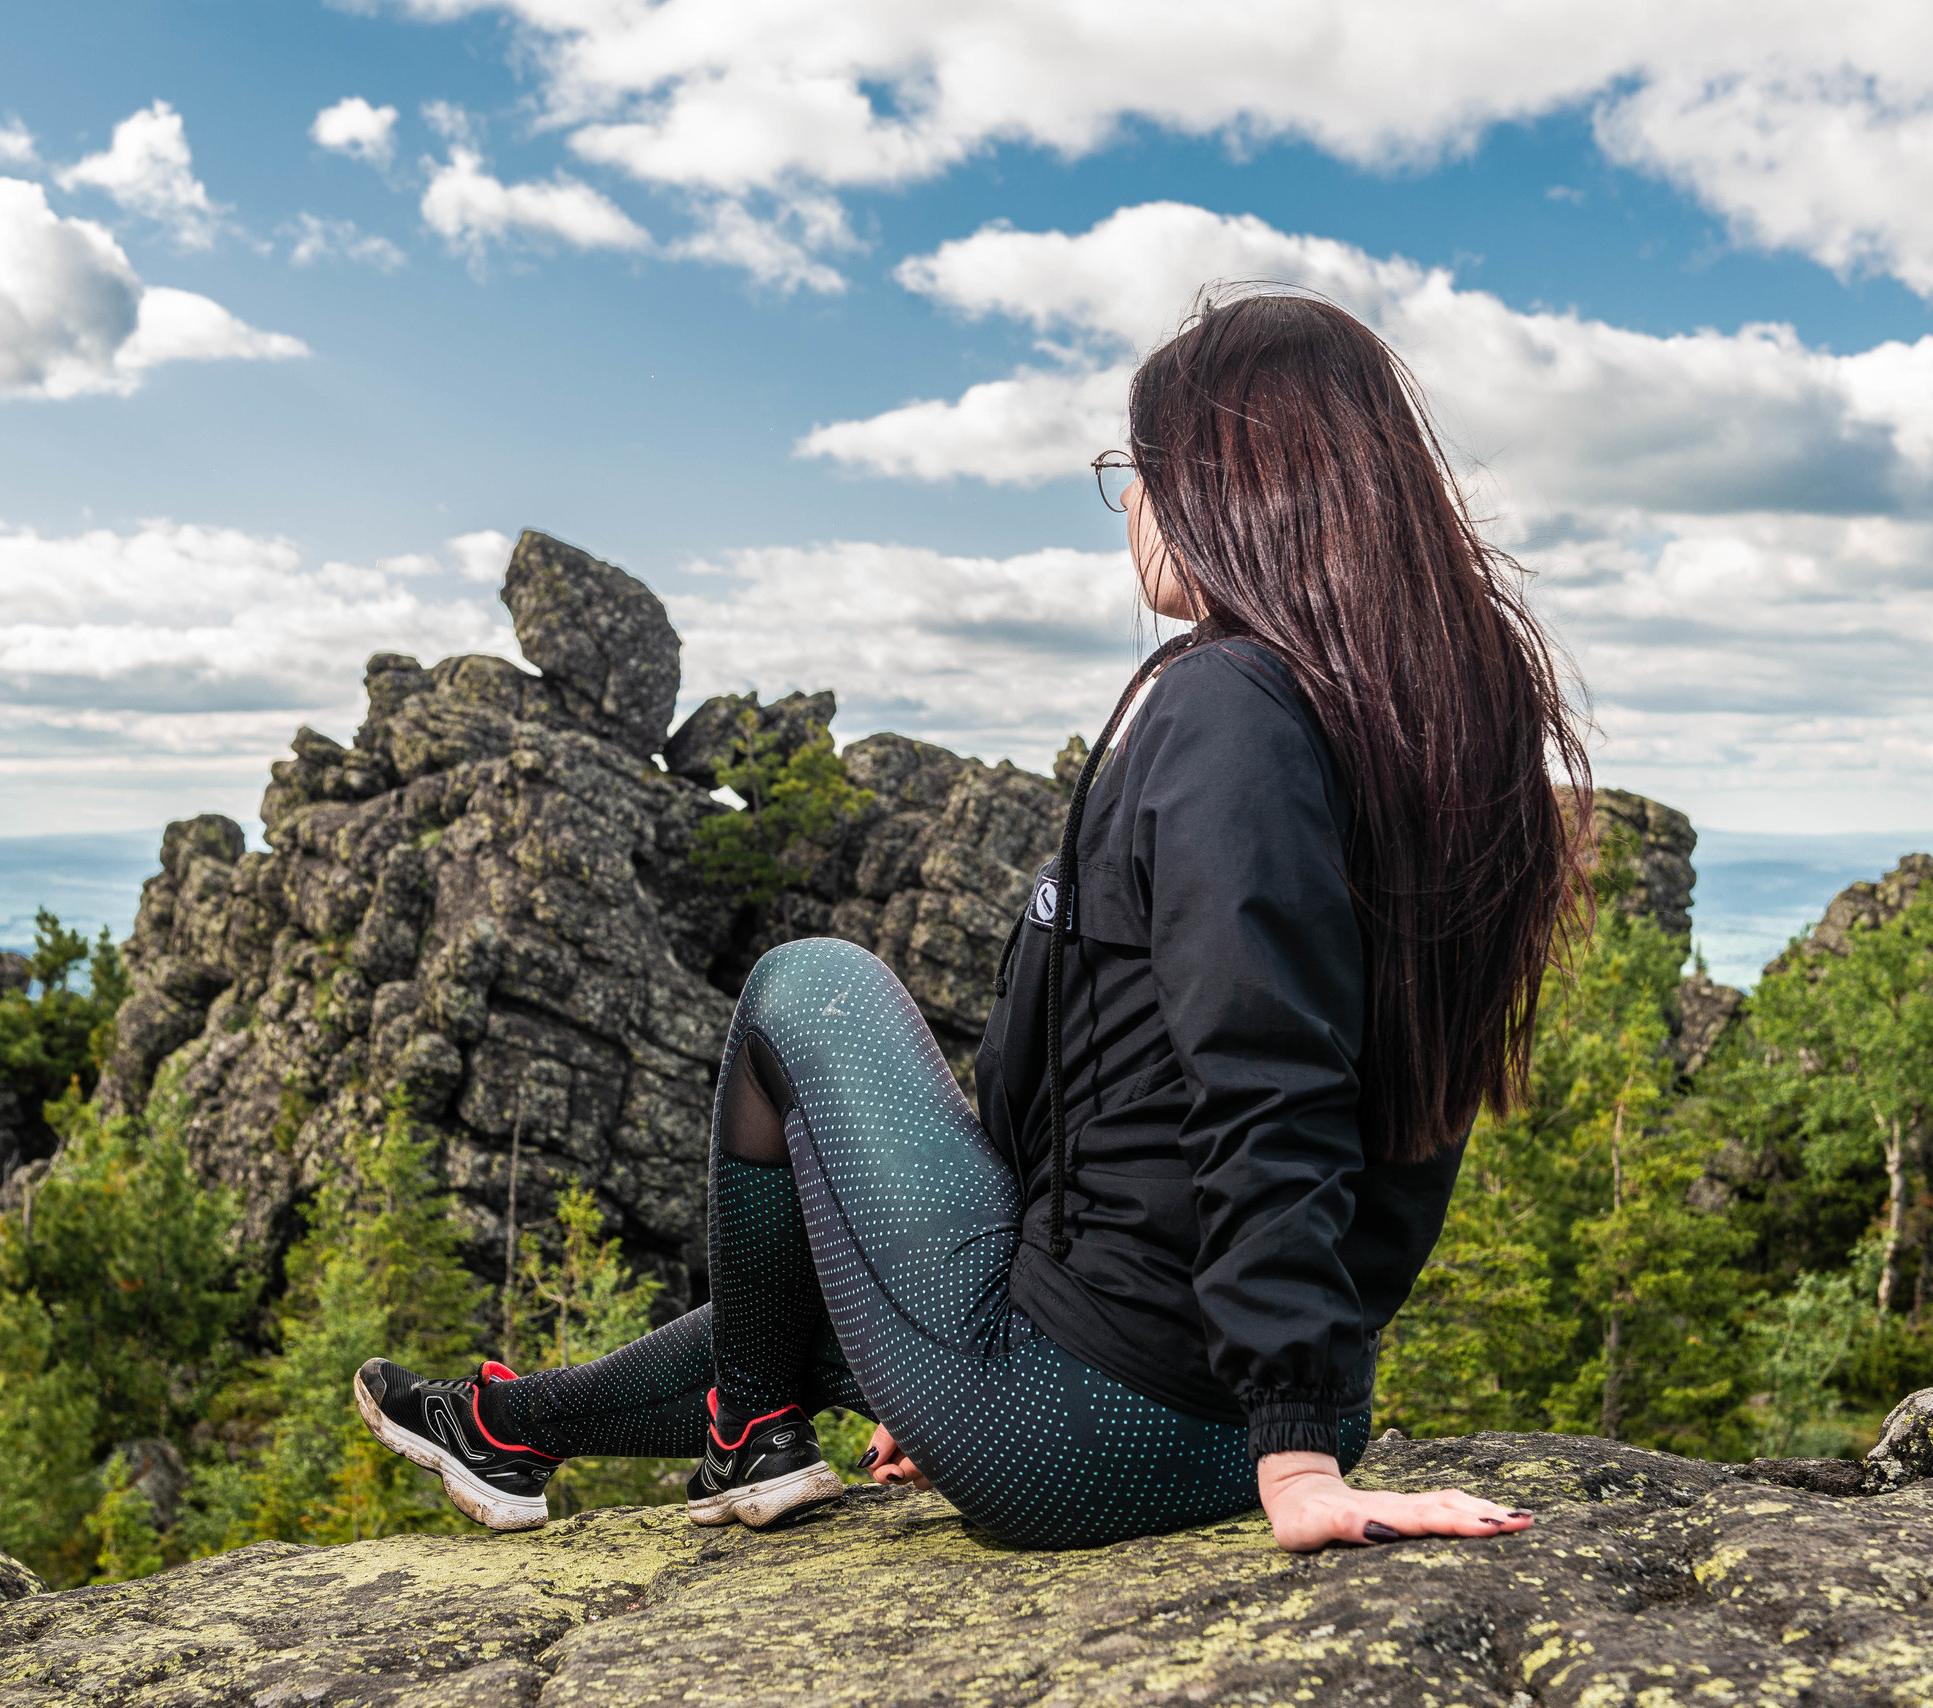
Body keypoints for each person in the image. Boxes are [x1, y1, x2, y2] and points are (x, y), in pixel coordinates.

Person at [354, 289, 1588, 1552]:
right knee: (816, 1288)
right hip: (1201, 1411)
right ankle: (515, 1426)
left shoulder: (1233, 705)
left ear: (1234, 481)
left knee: (807, 984)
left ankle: (743, 1428)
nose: (1134, 511)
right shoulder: (1429, 728)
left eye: (1139, 471)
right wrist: (1293, 1413)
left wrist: (1297, 1456)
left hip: (1099, 1421)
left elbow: (1271, 1078)